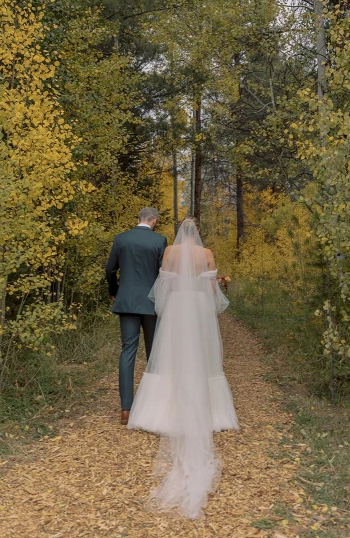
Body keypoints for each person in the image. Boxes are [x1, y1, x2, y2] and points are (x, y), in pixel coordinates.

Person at [127, 217, 239, 519]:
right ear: (198, 231)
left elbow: (163, 284)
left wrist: (165, 308)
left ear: (179, 230)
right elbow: (211, 288)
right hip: (199, 306)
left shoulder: (169, 252)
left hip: (177, 305)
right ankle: (213, 413)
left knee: (171, 355)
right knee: (203, 356)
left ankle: (160, 413)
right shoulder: (207, 254)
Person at [105, 207, 168, 426]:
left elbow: (110, 269)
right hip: (152, 304)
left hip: (128, 302)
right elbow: (163, 274)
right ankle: (155, 406)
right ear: (155, 221)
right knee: (154, 353)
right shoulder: (160, 241)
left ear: (139, 219)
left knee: (127, 351)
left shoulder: (121, 239)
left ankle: (126, 410)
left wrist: (114, 291)